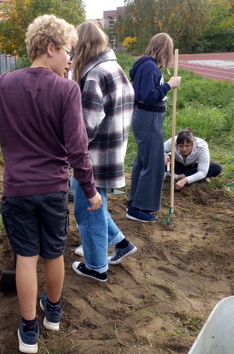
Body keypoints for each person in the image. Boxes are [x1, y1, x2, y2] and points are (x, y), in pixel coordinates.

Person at [0, 14, 102, 354]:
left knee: (26, 257)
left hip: (18, 190)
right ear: (50, 47)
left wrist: (14, 125)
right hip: (54, 189)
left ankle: (29, 331)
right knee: (53, 253)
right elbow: (77, 147)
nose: (71, 59)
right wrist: (90, 190)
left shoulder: (4, 83)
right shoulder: (67, 89)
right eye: (68, 52)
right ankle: (53, 313)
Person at [69, 21, 136, 282]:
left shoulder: (94, 74)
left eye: (73, 47)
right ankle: (120, 243)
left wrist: (70, 150)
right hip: (114, 150)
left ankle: (96, 266)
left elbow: (87, 124)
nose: (71, 53)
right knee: (95, 203)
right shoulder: (114, 68)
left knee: (88, 210)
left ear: (82, 45)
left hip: (96, 155)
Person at [127, 33, 181, 222]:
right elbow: (146, 96)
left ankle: (135, 201)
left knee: (143, 161)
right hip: (148, 117)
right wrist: (168, 85)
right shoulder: (149, 67)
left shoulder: (148, 66)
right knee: (154, 163)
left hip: (149, 117)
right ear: (164, 50)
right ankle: (139, 207)